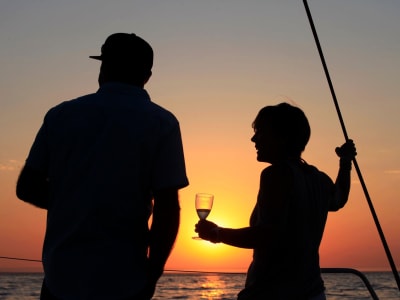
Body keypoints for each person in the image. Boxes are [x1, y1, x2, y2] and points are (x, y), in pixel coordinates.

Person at [16, 33, 189, 300]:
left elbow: (27, 187)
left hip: (61, 276)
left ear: (104, 67)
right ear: (147, 74)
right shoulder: (162, 123)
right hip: (125, 278)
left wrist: (74, 200)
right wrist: (153, 272)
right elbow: (167, 208)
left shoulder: (61, 115)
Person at [195, 102, 356, 300]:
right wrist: (345, 162)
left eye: (261, 132)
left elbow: (267, 235)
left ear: (282, 138)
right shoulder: (319, 179)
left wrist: (216, 233)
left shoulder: (276, 174)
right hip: (313, 292)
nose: (254, 138)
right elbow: (339, 199)